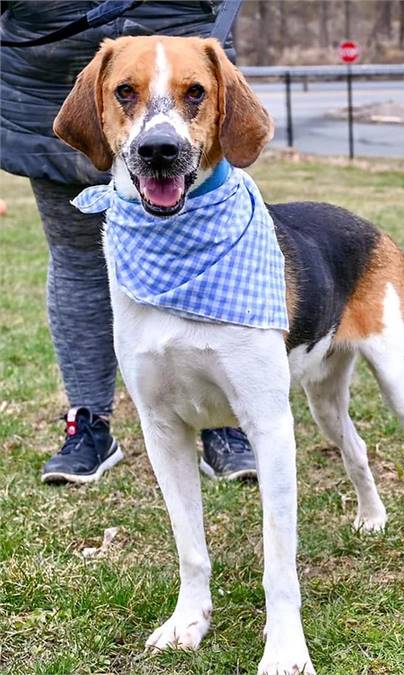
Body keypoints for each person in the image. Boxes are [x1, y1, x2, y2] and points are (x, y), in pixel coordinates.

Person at [0, 0, 257, 483]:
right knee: (77, 257)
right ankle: (89, 424)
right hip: (47, 65)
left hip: (180, 36)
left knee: (214, 256)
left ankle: (223, 421)